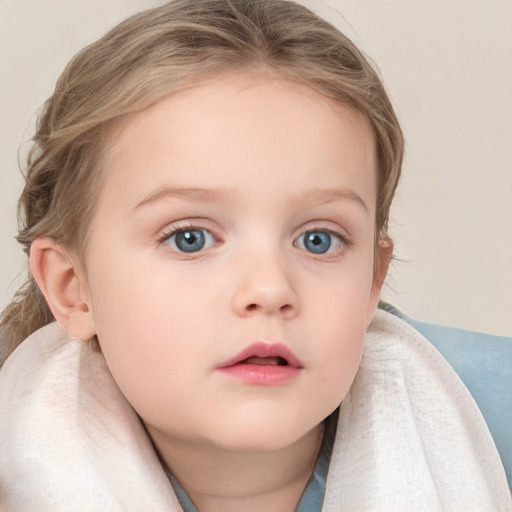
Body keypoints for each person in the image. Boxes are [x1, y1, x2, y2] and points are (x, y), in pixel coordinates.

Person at [0, 1, 509, 510]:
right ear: (72, 287)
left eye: (319, 239)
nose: (269, 289)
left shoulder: (492, 412)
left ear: (373, 280)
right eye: (190, 238)